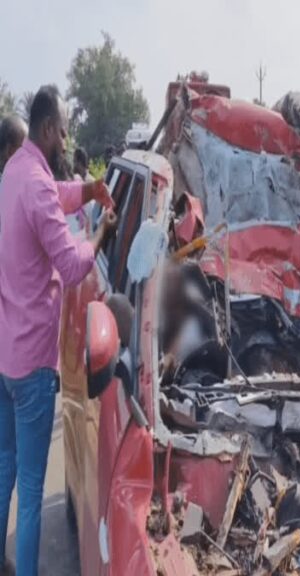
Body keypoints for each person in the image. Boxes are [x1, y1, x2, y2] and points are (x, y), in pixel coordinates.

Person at [0, 85, 117, 576]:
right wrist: (101, 232)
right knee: (31, 492)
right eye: (65, 133)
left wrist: (89, 191)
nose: (67, 141)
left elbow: (55, 195)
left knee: (5, 467)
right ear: (49, 129)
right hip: (30, 363)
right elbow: (71, 266)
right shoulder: (34, 182)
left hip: (5, 354)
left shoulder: (13, 173)